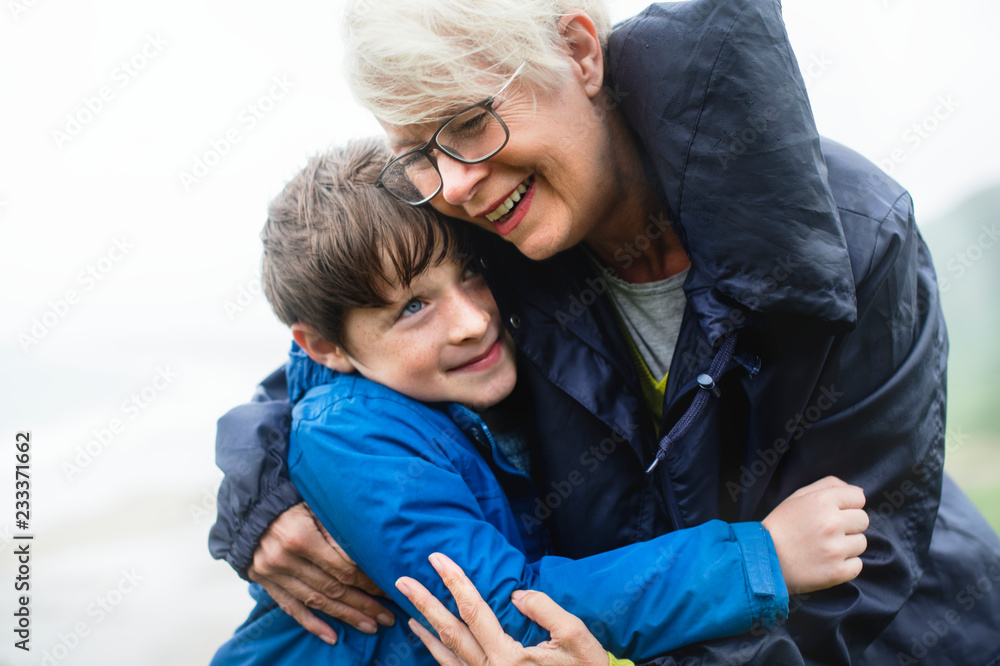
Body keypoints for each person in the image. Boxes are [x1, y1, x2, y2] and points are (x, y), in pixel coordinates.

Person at [211, 0, 1000, 663]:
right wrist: (265, 494)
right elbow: (339, 351)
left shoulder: (855, 237)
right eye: (421, 149)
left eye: (469, 121)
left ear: (581, 53)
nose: (453, 184)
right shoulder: (483, 225)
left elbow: (858, 574)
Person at [210, 138, 870, 665]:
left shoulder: (437, 392)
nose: (470, 320)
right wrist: (759, 558)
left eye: (470, 273)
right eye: (413, 307)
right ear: (323, 345)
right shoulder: (351, 439)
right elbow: (501, 613)